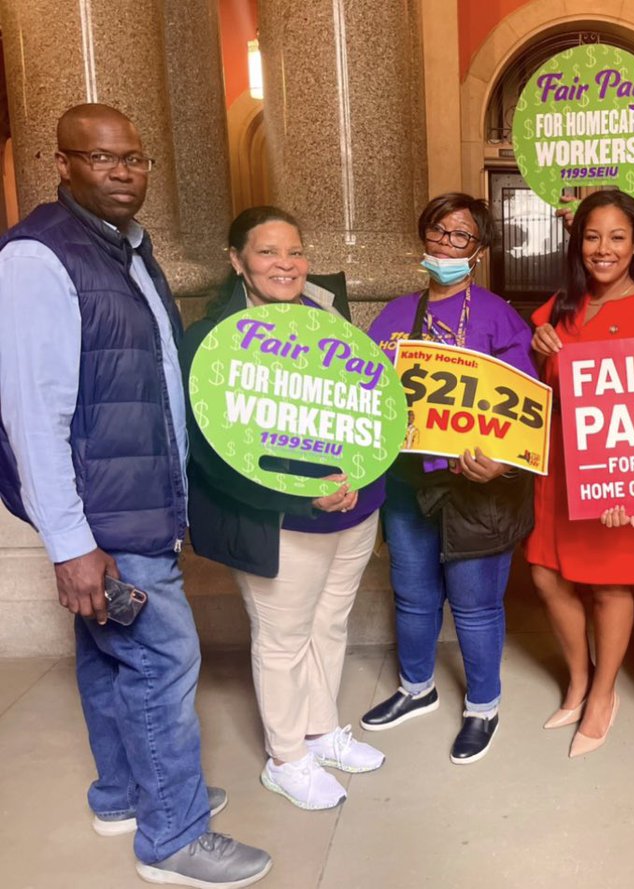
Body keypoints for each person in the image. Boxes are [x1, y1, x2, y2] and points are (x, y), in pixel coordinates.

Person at [0, 104, 270, 886]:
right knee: (164, 659)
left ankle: (125, 793)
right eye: (103, 159)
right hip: (105, 518)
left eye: (136, 159)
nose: (124, 173)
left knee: (109, 656)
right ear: (62, 164)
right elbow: (31, 414)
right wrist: (70, 543)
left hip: (139, 505)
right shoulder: (37, 259)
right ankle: (175, 835)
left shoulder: (128, 249)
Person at [182, 206, 386, 810]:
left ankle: (320, 731)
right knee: (282, 637)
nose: (285, 264)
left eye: (294, 252)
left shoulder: (329, 317)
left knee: (329, 623)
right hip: (280, 517)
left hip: (353, 506)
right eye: (267, 252)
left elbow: (366, 409)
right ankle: (286, 757)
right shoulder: (209, 340)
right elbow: (214, 452)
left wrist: (357, 476)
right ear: (236, 261)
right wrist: (302, 492)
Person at [359, 193, 536, 764]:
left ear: (478, 251)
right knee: (412, 594)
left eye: (460, 237)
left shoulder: (500, 318)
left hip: (477, 487)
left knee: (475, 603)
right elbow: (366, 393)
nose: (445, 244)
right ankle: (417, 688)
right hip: (410, 482)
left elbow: (526, 412)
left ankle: (483, 706)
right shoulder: (392, 315)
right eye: (438, 231)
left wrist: (502, 463)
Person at [527, 190, 634, 756]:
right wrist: (542, 347)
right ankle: (580, 677)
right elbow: (539, 386)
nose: (603, 248)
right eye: (592, 236)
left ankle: (604, 693)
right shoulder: (563, 304)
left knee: (609, 584)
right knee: (546, 575)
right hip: (559, 461)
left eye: (617, 237)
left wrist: (630, 485)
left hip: (615, 469)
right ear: (577, 241)